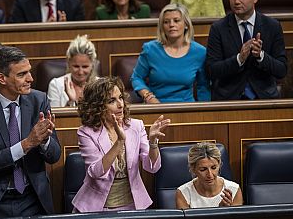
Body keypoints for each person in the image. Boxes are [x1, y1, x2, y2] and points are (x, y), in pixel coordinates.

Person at [0, 46, 61, 218]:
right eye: (21, 74)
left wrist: (44, 141)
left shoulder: (39, 100)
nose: (30, 78)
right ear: (2, 78)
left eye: (29, 72)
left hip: (33, 197)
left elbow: (54, 156)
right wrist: (27, 143)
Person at [72, 77, 171, 212]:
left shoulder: (136, 126)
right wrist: (119, 142)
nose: (120, 105)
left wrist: (153, 142)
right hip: (97, 207)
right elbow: (95, 172)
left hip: (133, 205)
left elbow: (151, 167)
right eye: (112, 101)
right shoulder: (87, 132)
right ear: (97, 106)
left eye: (120, 98)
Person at [205, 0, 287, 100]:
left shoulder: (272, 26)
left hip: (264, 98)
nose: (237, 1)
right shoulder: (218, 28)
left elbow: (281, 70)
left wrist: (261, 56)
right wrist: (239, 59)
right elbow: (212, 70)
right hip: (229, 99)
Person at [131, 3, 210, 103]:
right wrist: (148, 97)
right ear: (162, 26)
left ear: (186, 24)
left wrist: (203, 113)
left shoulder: (199, 52)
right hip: (155, 107)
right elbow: (136, 77)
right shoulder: (150, 49)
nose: (171, 25)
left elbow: (203, 86)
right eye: (166, 22)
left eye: (176, 21)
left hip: (186, 109)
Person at [176, 142, 243, 208]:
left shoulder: (233, 189)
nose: (210, 175)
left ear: (219, 165)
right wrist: (220, 211)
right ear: (193, 169)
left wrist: (226, 212)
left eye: (214, 168)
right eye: (203, 169)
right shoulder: (184, 193)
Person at [47, 35, 98, 107]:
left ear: (92, 65)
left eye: (85, 67)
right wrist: (70, 102)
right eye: (76, 66)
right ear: (69, 64)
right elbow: (55, 117)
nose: (80, 72)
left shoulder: (100, 86)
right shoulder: (56, 85)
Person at [10, 0, 85, 23]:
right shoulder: (22, 3)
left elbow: (81, 35)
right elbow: (16, 34)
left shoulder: (74, 2)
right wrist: (44, 29)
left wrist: (64, 28)